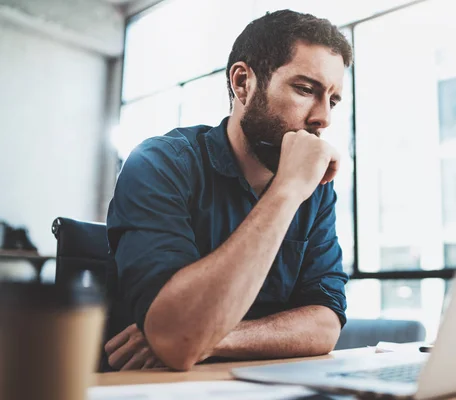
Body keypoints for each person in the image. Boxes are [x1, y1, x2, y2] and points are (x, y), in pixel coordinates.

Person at [103, 9, 353, 372]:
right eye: (305, 90)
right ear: (242, 83)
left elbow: (326, 323)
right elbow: (178, 341)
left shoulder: (315, 190)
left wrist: (214, 338)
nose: (323, 118)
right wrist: (286, 191)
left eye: (331, 100)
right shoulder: (159, 163)